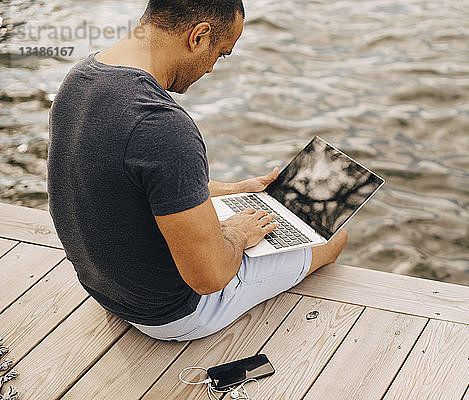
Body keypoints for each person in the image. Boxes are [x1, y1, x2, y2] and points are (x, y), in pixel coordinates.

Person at [47, 0, 347, 341]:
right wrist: (237, 233)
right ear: (199, 36)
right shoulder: (162, 124)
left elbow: (137, 184)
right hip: (170, 313)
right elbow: (210, 277)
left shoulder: (80, 80)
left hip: (105, 289)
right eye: (221, 53)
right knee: (333, 235)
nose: (211, 69)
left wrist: (238, 189)